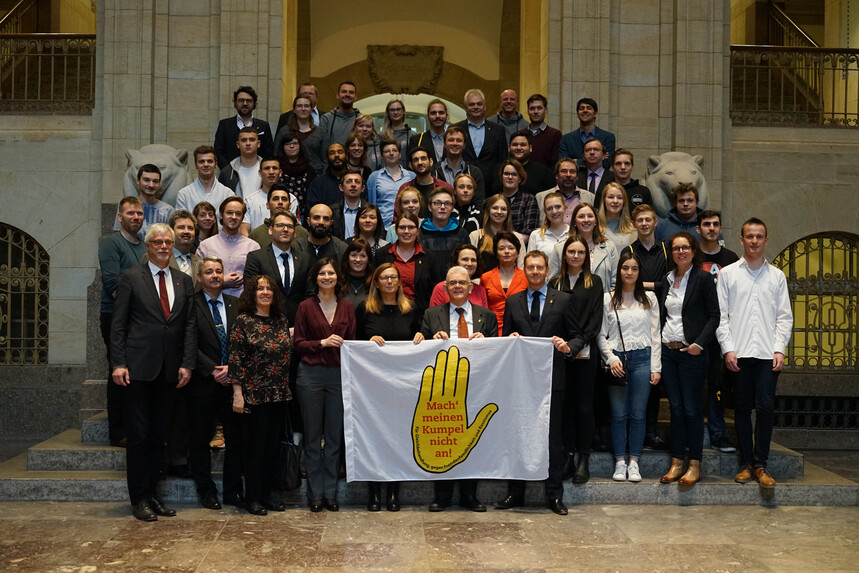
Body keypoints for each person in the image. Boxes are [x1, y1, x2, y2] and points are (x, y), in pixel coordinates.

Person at [110, 223, 196, 521]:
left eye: (168, 242)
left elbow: (188, 327)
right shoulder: (131, 278)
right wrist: (118, 363)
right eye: (157, 242)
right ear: (148, 246)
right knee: (139, 436)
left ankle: (154, 495)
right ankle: (139, 498)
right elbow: (118, 325)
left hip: (170, 371)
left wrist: (187, 363)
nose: (163, 247)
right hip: (137, 370)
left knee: (160, 435)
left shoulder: (184, 281)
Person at [496, 250, 585, 516]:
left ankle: (554, 495)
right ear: (524, 271)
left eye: (539, 268)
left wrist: (567, 346)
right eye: (530, 268)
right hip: (520, 382)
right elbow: (504, 341)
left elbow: (578, 336)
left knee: (552, 439)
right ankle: (515, 492)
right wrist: (510, 338)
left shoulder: (564, 300)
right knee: (518, 436)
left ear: (548, 271)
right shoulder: (513, 302)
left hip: (552, 380)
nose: (535, 272)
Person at [717, 218, 793, 488]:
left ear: (766, 240)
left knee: (765, 408)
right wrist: (728, 349)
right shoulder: (728, 274)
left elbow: (784, 317)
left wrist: (779, 349)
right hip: (738, 353)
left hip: (766, 354)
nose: (754, 241)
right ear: (741, 240)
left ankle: (761, 465)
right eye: (749, 236)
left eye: (759, 236)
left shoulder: (777, 276)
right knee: (741, 409)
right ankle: (746, 464)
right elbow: (722, 317)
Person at [420, 265, 498, 512]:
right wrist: (430, 341)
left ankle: (469, 496)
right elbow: (419, 348)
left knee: (471, 440)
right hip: (444, 385)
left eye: (461, 283)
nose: (457, 287)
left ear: (470, 287)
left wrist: (486, 342)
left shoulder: (487, 315)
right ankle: (442, 496)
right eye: (452, 283)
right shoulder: (432, 315)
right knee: (443, 438)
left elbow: (499, 351)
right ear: (444, 287)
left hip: (478, 384)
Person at [356, 264, 424, 511]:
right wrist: (367, 341)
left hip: (403, 384)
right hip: (372, 386)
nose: (389, 281)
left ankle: (394, 492)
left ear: (399, 281)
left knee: (398, 437)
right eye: (383, 277)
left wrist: (420, 336)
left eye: (393, 277)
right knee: (374, 436)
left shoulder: (412, 308)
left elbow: (421, 336)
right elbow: (354, 343)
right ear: (376, 282)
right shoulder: (364, 308)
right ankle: (374, 492)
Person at [293, 258, 357, 512]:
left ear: (338, 277)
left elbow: (352, 342)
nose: (327, 277)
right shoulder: (305, 307)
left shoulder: (348, 307)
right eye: (322, 273)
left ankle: (330, 493)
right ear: (315, 278)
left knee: (333, 438)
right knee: (312, 437)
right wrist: (321, 343)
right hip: (310, 374)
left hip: (339, 375)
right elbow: (298, 343)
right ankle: (314, 495)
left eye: (331, 272)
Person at [657, 232, 720, 486]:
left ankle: (694, 463)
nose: (680, 252)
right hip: (668, 353)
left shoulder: (703, 279)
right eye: (676, 248)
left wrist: (698, 344)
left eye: (685, 248)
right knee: (676, 409)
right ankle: (675, 462)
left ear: (693, 251)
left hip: (691, 353)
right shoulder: (666, 279)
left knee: (692, 409)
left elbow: (714, 316)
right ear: (671, 253)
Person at [228, 274, 292, 515]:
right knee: (255, 449)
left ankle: (267, 495)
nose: (265, 292)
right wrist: (237, 393)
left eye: (269, 289)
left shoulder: (281, 320)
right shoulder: (242, 321)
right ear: (251, 294)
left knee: (272, 449)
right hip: (252, 396)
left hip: (278, 395)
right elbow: (235, 359)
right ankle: (253, 497)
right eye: (259, 289)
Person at [597, 251, 661, 483]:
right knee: (618, 414)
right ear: (619, 271)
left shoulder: (650, 299)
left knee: (638, 414)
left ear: (639, 272)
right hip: (617, 360)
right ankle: (619, 462)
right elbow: (600, 335)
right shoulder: (607, 299)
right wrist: (610, 359)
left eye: (634, 268)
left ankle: (634, 462)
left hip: (643, 359)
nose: (630, 272)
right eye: (626, 268)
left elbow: (655, 335)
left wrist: (656, 367)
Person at [549, 235, 604, 483]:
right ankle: (567, 456)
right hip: (559, 354)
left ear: (586, 256)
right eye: (571, 251)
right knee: (565, 407)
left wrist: (577, 344)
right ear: (564, 255)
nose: (575, 256)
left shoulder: (595, 282)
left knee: (583, 407)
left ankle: (583, 458)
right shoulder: (555, 282)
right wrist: (564, 346)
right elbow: (552, 317)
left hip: (585, 353)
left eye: (580, 252)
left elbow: (595, 320)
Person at [190, 256, 243, 511]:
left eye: (218, 272)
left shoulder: (236, 304)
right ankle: (206, 490)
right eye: (209, 272)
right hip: (202, 383)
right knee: (200, 439)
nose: (214, 276)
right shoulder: (190, 304)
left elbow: (244, 342)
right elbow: (187, 342)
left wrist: (232, 368)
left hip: (233, 383)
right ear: (199, 277)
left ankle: (233, 491)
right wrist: (212, 369)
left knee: (236, 439)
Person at [99, 196, 146, 448]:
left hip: (139, 320)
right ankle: (117, 432)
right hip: (115, 317)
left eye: (139, 213)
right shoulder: (112, 244)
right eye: (130, 213)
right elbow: (111, 283)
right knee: (117, 371)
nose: (135, 217)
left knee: (134, 374)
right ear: (120, 217)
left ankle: (133, 425)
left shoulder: (143, 247)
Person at [697, 210, 739, 453]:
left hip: (720, 333)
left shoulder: (731, 258)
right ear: (698, 229)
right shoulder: (691, 255)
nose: (711, 228)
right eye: (706, 224)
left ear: (721, 229)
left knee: (716, 385)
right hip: (694, 331)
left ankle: (717, 433)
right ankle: (690, 436)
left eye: (715, 224)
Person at [243, 210, 312, 326]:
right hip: (265, 325)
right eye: (280, 225)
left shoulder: (305, 259)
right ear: (270, 230)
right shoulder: (256, 258)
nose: (285, 229)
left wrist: (301, 325)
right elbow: (251, 293)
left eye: (290, 226)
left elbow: (310, 294)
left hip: (299, 325)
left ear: (294, 233)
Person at [374, 212, 436, 315]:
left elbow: (433, 291)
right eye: (402, 227)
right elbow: (374, 286)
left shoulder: (428, 257)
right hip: (386, 314)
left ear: (418, 231)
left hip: (419, 316)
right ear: (396, 231)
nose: (406, 231)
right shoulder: (382, 255)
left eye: (411, 227)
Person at [196, 196, 259, 297]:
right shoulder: (206, 246)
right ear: (221, 215)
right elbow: (197, 280)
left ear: (242, 218)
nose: (233, 217)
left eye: (238, 214)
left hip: (244, 304)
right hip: (213, 303)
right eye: (229, 212)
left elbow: (257, 282)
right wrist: (222, 282)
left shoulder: (253, 247)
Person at [549, 202, 618, 289]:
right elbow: (553, 282)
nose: (586, 220)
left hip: (602, 301)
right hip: (569, 300)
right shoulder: (560, 248)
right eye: (581, 216)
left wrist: (606, 300)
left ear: (596, 220)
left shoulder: (609, 247)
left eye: (590, 216)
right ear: (574, 221)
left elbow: (616, 283)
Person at [213, 86, 273, 169]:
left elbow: (269, 152)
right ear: (235, 103)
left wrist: (262, 170)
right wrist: (228, 171)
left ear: (254, 103)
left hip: (258, 173)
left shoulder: (264, 126)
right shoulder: (224, 125)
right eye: (241, 100)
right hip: (230, 175)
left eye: (248, 101)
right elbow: (218, 152)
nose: (245, 103)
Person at [480, 231, 527, 336]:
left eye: (511, 248)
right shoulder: (485, 277)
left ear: (518, 253)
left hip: (519, 331)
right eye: (501, 248)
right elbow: (482, 307)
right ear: (496, 254)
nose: (507, 252)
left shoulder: (526, 277)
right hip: (491, 330)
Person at [455, 89, 508, 179]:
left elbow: (503, 160)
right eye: (471, 104)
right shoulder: (456, 129)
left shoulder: (498, 130)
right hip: (462, 182)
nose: (476, 107)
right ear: (465, 107)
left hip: (491, 183)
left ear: (485, 107)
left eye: (479, 104)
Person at [419, 186, 467, 283]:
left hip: (455, 285)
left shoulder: (461, 233)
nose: (442, 207)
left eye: (447, 203)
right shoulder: (420, 233)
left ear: (452, 207)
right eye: (437, 203)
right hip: (425, 286)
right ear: (429, 207)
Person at [469, 194, 526, 272]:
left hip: (510, 283)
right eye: (495, 208)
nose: (499, 212)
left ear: (508, 213)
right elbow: (470, 266)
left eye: (503, 209)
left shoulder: (517, 237)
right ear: (488, 211)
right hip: (481, 282)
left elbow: (522, 268)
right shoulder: (475, 236)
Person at [113, 164, 173, 239]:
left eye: (155, 181)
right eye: (146, 180)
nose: (151, 185)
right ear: (138, 181)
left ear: (159, 184)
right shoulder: (126, 207)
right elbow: (118, 237)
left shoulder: (168, 210)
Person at [432, 125, 487, 204]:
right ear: (444, 143)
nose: (455, 143)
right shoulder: (434, 171)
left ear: (464, 145)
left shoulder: (474, 172)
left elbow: (479, 201)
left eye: (459, 140)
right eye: (451, 140)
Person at [367, 139, 416, 226]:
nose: (391, 153)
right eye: (387, 151)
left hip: (407, 226)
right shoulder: (374, 177)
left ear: (400, 154)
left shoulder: (411, 176)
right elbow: (370, 204)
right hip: (382, 227)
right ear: (382, 155)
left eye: (394, 150)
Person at [559, 97, 616, 169]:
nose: (585, 110)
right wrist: (596, 161)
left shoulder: (607, 137)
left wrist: (576, 161)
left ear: (596, 113)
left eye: (589, 108)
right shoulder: (566, 139)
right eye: (581, 108)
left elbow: (606, 164)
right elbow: (563, 165)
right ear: (577, 114)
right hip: (574, 179)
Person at [535, 158, 595, 226]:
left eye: (572, 171)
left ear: (577, 176)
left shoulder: (590, 198)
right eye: (564, 171)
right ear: (556, 175)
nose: (568, 175)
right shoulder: (540, 197)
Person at [175, 146, 234, 214]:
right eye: (201, 162)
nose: (206, 164)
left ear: (215, 164)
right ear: (196, 165)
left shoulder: (228, 194)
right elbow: (181, 221)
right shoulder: (184, 194)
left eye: (209, 161)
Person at [247, 185, 308, 249]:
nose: (280, 202)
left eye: (284, 199)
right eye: (275, 199)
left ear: (290, 205)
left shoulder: (302, 233)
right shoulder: (256, 234)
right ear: (267, 205)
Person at [502, 130, 556, 196]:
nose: (518, 148)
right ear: (509, 148)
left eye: (523, 145)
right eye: (515, 145)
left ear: (530, 148)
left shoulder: (543, 172)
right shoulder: (499, 170)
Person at [318, 80, 361, 163]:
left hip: (355, 166)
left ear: (355, 97)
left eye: (351, 92)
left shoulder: (361, 119)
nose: (347, 94)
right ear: (337, 95)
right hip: (332, 167)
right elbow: (322, 147)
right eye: (344, 92)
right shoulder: (326, 119)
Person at [277, 131, 315, 219]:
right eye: (288, 144)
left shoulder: (309, 169)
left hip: (303, 214)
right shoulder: (277, 167)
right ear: (282, 147)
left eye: (295, 143)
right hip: (281, 214)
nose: (291, 146)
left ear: (300, 146)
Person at [218, 127, 262, 198]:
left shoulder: (268, 169)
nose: (248, 143)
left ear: (258, 143)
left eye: (252, 140)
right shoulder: (227, 172)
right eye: (244, 140)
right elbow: (220, 198)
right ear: (238, 144)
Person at [242, 158, 284, 233]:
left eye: (274, 168)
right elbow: (243, 231)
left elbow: (295, 229)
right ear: (260, 173)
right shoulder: (250, 201)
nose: (271, 172)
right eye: (267, 168)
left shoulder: (290, 199)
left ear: (280, 172)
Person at [528, 192, 569, 262]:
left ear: (565, 208)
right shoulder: (536, 235)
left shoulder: (574, 233)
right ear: (545, 212)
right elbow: (530, 263)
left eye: (558, 207)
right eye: (549, 208)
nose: (554, 211)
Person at [306, 143, 348, 209]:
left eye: (340, 152)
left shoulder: (355, 181)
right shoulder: (318, 182)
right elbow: (312, 209)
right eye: (332, 153)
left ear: (346, 156)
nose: (336, 155)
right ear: (327, 158)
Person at [526, 93, 562, 168]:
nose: (536, 112)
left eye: (539, 108)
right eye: (532, 108)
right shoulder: (521, 135)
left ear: (546, 110)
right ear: (528, 111)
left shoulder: (555, 135)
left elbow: (555, 164)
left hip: (546, 178)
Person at [598, 182, 637, 251]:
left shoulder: (633, 229)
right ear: (604, 200)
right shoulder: (595, 228)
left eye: (619, 197)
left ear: (624, 201)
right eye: (611, 197)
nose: (615, 201)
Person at [576, 139, 615, 207]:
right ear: (583, 157)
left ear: (604, 156)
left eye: (596, 149)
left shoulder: (614, 178)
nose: (592, 152)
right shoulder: (577, 178)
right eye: (588, 150)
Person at [409, 98, 448, 164]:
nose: (437, 116)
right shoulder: (417, 140)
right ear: (427, 116)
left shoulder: (454, 140)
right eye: (433, 113)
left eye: (441, 112)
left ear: (446, 116)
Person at [330, 172, 366, 241]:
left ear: (363, 188)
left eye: (357, 182)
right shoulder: (332, 211)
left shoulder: (370, 211)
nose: (353, 185)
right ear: (341, 187)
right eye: (349, 182)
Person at [340, 238, 374, 308]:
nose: (358, 260)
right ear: (347, 258)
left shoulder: (375, 284)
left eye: (363, 256)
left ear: (368, 260)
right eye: (354, 255)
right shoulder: (338, 282)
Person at [380, 98, 412, 167]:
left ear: (403, 111)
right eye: (392, 110)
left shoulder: (412, 135)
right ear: (388, 113)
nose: (395, 112)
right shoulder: (381, 135)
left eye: (398, 109)